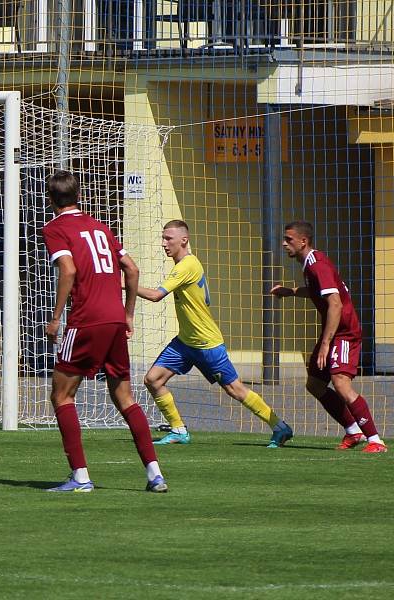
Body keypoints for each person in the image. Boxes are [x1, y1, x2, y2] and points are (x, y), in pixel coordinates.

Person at [42, 170, 167, 493]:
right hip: (113, 319)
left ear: (50, 199)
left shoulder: (55, 228)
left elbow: (68, 269)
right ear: (79, 196)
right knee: (124, 396)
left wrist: (56, 318)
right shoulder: (100, 227)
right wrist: (127, 314)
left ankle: (80, 477)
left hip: (86, 320)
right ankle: (155, 474)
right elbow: (133, 269)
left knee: (61, 395)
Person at [137, 220, 293, 448]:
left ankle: (280, 427)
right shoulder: (185, 265)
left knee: (235, 390)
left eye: (168, 238)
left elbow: (155, 295)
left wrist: (125, 283)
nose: (164, 243)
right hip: (185, 341)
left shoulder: (186, 266)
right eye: (163, 238)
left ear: (184, 240)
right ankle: (178, 430)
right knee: (153, 379)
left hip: (206, 343)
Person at [271, 220, 386, 453]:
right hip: (333, 333)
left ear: (303, 241)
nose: (284, 244)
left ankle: (375, 440)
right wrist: (291, 292)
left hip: (344, 333)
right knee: (314, 384)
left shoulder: (317, 265)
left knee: (341, 384)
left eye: (288, 239)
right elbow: (318, 293)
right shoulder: (309, 264)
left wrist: (325, 344)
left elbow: (334, 304)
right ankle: (353, 431)